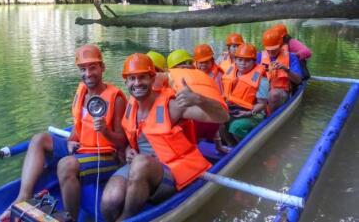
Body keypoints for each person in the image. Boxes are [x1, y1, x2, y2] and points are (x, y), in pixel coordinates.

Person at [0, 44, 127, 222]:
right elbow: (80, 124)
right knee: (39, 139)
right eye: (83, 69)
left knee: (66, 165)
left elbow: (123, 142)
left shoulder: (116, 98)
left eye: (92, 68)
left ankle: (69, 219)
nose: (88, 74)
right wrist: (69, 141)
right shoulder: (81, 90)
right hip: (81, 148)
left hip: (106, 156)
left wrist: (105, 131)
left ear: (102, 68)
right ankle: (23, 195)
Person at [100, 54, 229, 221]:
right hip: (139, 166)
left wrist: (199, 99)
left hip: (171, 171)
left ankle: (126, 218)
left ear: (152, 78)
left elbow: (222, 117)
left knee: (140, 163)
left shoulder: (172, 105)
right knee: (109, 201)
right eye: (132, 78)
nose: (137, 83)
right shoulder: (131, 105)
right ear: (126, 82)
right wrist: (127, 150)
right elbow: (128, 139)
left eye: (142, 77)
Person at [168, 49, 229, 153]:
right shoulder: (170, 83)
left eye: (189, 63)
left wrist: (219, 145)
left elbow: (214, 112)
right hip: (196, 124)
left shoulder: (205, 80)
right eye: (183, 64)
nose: (187, 66)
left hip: (204, 123)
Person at [222, 43, 269, 142]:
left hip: (254, 113)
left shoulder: (262, 80)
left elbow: (262, 104)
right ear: (235, 60)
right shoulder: (231, 72)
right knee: (216, 121)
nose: (243, 63)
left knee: (236, 127)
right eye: (240, 60)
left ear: (253, 61)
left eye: (247, 60)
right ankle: (230, 145)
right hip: (233, 109)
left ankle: (243, 146)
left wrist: (248, 113)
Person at [257, 29, 302, 112]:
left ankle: (268, 117)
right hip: (262, 90)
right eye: (268, 50)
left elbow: (298, 80)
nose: (270, 53)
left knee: (273, 95)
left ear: (281, 45)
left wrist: (286, 70)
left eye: (273, 49)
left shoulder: (291, 57)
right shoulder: (259, 56)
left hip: (281, 91)